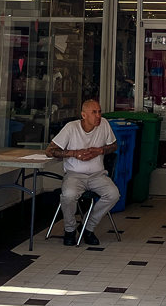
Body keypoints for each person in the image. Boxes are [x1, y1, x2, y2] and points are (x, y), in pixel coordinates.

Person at [46, 99, 119, 247]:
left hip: (97, 174)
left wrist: (100, 150)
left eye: (99, 111)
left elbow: (114, 145)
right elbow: (50, 151)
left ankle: (87, 227)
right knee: (68, 195)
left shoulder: (104, 124)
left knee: (113, 194)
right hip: (74, 174)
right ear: (84, 115)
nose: (98, 115)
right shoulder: (71, 128)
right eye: (94, 112)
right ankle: (70, 230)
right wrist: (74, 153)